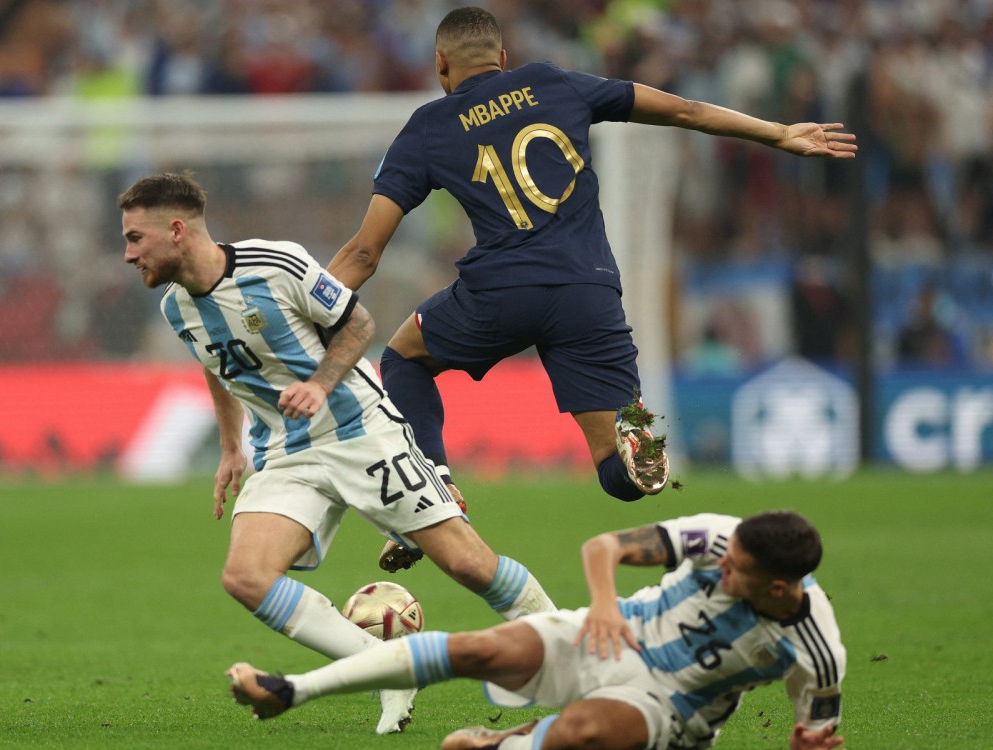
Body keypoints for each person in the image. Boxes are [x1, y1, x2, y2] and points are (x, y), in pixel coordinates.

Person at [325, 7, 858, 571]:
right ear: (502, 58)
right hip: (588, 291)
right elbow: (686, 110)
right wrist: (778, 132)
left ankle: (436, 488)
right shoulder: (552, 83)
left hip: (501, 291)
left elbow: (365, 253)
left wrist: (307, 304)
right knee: (616, 472)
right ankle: (635, 446)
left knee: (405, 358)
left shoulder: (429, 126)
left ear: (440, 64)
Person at [118, 173, 556, 735]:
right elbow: (215, 362)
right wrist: (230, 445)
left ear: (177, 230)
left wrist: (321, 384)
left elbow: (358, 323)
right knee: (246, 576)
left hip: (360, 432)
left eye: (136, 238)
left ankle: (572, 648)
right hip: (286, 452)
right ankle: (391, 670)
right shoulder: (176, 308)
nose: (128, 254)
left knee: (470, 565)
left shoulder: (275, 264)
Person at [229, 510, 847, 750]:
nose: (722, 567)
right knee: (479, 649)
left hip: (671, 706)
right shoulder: (720, 537)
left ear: (779, 588)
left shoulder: (817, 653)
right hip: (614, 631)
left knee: (583, 732)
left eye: (736, 570)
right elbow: (606, 545)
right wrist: (604, 606)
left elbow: (818, 735)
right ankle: (292, 690)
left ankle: (507, 743)